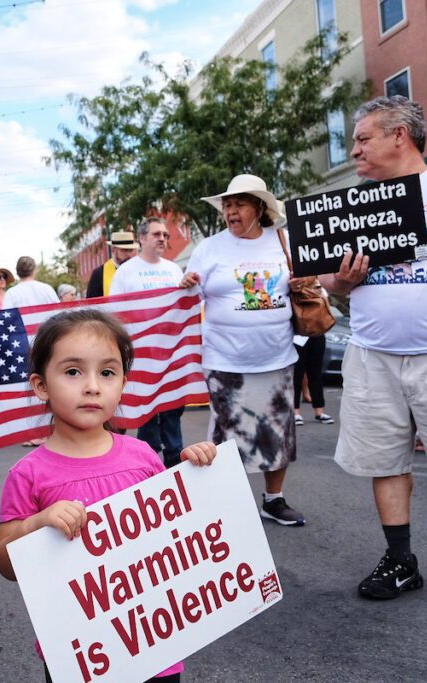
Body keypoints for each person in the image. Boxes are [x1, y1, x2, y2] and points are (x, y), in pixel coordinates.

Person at [0, 308, 217, 683]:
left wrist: (196, 476)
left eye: (108, 373)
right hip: (80, 653)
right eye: (73, 371)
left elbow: (180, 539)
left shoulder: (144, 456)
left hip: (155, 640)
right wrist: (35, 525)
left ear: (123, 383)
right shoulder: (28, 474)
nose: (92, 386)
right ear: (41, 385)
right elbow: (5, 564)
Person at [319, 95, 427, 602]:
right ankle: (401, 560)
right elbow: (329, 282)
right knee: (384, 460)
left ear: (399, 136)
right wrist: (341, 282)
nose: (354, 151)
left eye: (363, 139)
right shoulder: (353, 205)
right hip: (373, 356)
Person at [182, 174, 305, 526]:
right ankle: (219, 506)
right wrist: (187, 285)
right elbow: (187, 301)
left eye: (239, 204)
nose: (231, 212)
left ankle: (273, 500)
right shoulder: (209, 248)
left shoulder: (283, 241)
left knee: (277, 431)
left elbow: (308, 286)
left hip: (277, 358)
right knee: (225, 436)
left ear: (259, 208)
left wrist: (302, 282)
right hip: (225, 361)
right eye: (227, 205)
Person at [111, 217, 188, 468]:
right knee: (148, 414)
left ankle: (175, 463)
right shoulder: (126, 272)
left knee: (173, 409)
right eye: (157, 234)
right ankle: (148, 465)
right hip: (142, 356)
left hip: (171, 353)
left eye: (165, 235)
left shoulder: (174, 269)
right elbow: (115, 313)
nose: (162, 239)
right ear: (142, 238)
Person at [292, 333, 332, 426]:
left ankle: (319, 411)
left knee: (316, 373)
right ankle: (295, 411)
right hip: (297, 336)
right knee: (297, 374)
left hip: (317, 333)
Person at [85, 230, 138, 298]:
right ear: (113, 250)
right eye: (124, 250)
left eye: (131, 250)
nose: (128, 254)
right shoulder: (99, 274)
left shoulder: (140, 270)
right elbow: (92, 302)